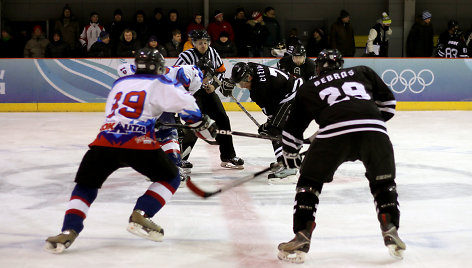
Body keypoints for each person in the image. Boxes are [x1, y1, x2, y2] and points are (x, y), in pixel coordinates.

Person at [44, 47, 217, 253]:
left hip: (104, 142)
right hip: (138, 143)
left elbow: (126, 111)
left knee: (85, 185)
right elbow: (189, 110)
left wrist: (155, 120)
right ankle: (142, 213)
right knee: (171, 177)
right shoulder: (162, 82)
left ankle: (68, 231)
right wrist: (202, 123)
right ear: (160, 67)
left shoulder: (119, 83)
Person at [276, 49, 405, 263]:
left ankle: (302, 233)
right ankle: (390, 226)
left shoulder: (310, 86)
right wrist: (363, 120)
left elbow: (292, 131)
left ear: (318, 67)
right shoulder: (363, 71)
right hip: (375, 132)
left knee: (309, 182)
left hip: (333, 136)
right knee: (383, 183)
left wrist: (290, 153)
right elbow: (389, 106)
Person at [174, 29, 244, 170]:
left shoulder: (212, 52)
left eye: (205, 42)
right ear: (194, 43)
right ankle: (181, 158)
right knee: (194, 122)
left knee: (223, 119)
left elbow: (221, 70)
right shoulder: (186, 56)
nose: (203, 46)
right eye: (200, 43)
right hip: (192, 94)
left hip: (208, 91)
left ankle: (228, 156)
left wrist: (214, 85)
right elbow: (176, 74)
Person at [230, 61, 302, 182]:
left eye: (241, 83)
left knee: (274, 130)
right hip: (294, 91)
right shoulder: (251, 67)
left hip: (295, 95)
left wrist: (268, 125)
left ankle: (289, 166)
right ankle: (287, 159)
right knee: (277, 128)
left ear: (249, 77)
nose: (241, 87)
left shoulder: (259, 90)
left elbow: (272, 113)